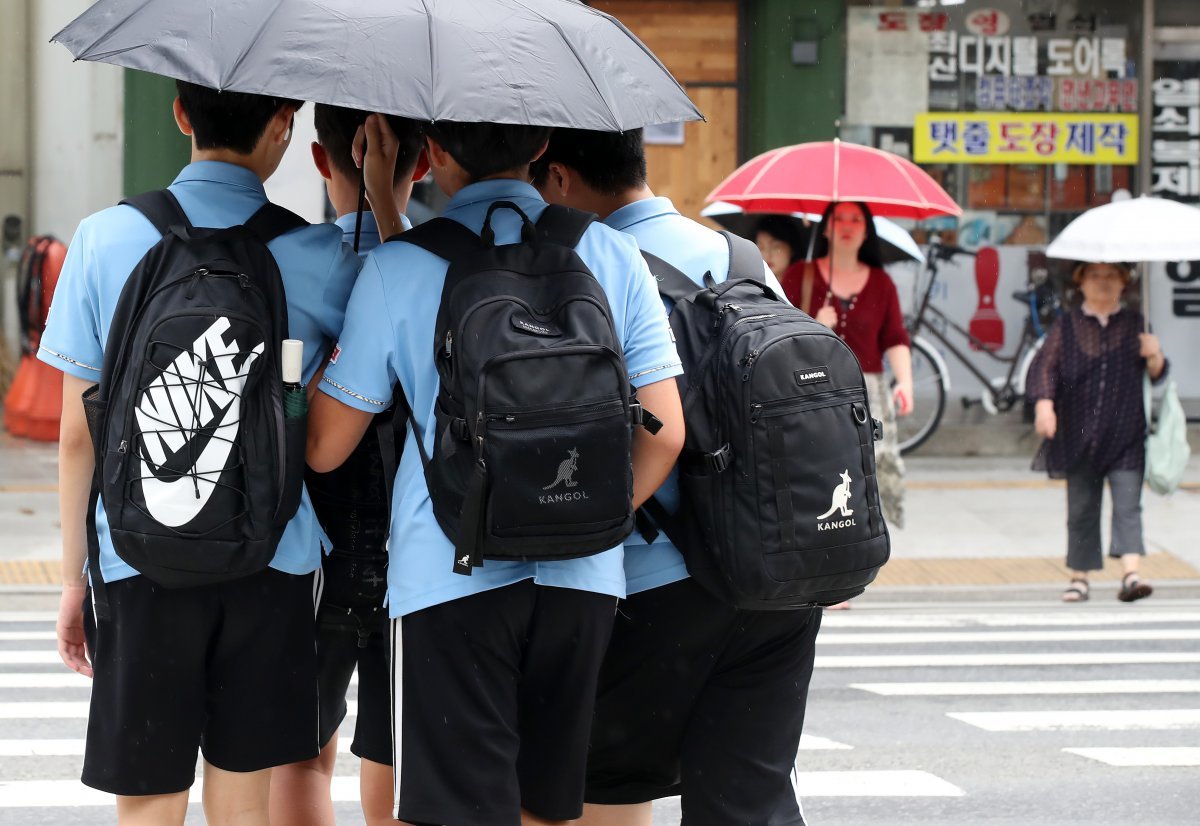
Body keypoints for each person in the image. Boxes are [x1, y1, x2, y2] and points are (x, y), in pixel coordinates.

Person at [306, 119, 685, 826]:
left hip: (448, 574)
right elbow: (668, 431)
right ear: (542, 147)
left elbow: (327, 446)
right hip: (584, 579)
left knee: (455, 809)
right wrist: (589, 516)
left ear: (437, 152)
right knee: (548, 806)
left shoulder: (401, 267)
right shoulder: (612, 253)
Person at [40, 81, 360, 826]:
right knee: (244, 790)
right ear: (285, 125)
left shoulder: (103, 237)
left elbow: (74, 434)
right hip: (271, 553)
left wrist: (72, 579)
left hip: (136, 553)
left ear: (180, 115)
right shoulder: (317, 254)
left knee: (149, 796)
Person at [531, 127, 823, 826]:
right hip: (777, 581)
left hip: (659, 585)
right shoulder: (744, 258)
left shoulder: (584, 268)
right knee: (745, 803)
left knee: (604, 793)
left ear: (561, 179)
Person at [269, 106, 426, 826]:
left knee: (302, 752)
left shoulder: (283, 258)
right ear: (423, 163)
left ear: (318, 158)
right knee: (396, 750)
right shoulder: (448, 260)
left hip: (313, 545)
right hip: (422, 545)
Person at [1026, 262, 1168, 603]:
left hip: (1126, 433)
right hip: (1079, 432)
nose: (1103, 283)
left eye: (1111, 276)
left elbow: (1158, 375)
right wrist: (1044, 406)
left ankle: (1131, 574)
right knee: (1081, 508)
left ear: (1123, 283)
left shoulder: (1137, 323)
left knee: (1128, 504)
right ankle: (1080, 577)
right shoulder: (1068, 325)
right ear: (1082, 284)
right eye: (1094, 276)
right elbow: (1045, 366)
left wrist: (1155, 353)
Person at [782, 201, 913, 532]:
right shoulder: (802, 275)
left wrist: (906, 381)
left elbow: (895, 337)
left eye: (856, 219)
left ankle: (869, 531)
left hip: (869, 391)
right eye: (839, 218)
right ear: (825, 227)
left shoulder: (881, 283)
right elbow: (777, 330)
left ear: (867, 230)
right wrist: (812, 323)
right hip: (813, 387)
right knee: (819, 462)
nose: (847, 225)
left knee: (871, 464)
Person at [754, 214, 806, 281]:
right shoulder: (750, 286)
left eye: (776, 247)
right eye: (760, 247)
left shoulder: (803, 285)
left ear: (792, 248)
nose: (767, 255)